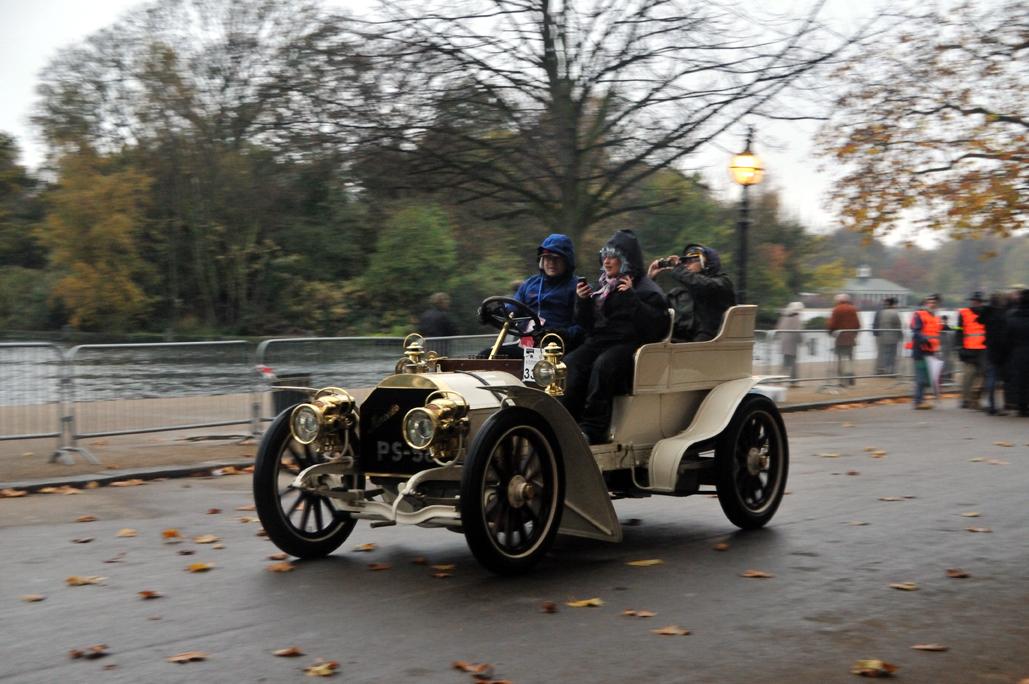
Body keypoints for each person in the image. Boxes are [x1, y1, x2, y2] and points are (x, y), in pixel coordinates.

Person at [562, 229, 669, 444]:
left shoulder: (648, 290)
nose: (606, 261)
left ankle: (593, 429)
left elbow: (654, 329)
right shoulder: (603, 286)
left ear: (626, 261)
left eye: (612, 257)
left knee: (604, 365)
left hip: (630, 344)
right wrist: (583, 301)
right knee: (570, 363)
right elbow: (588, 326)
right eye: (605, 256)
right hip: (600, 341)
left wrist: (631, 297)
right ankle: (565, 422)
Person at [484, 233, 582, 358]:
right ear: (541, 261)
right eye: (547, 258)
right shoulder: (530, 284)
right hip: (527, 345)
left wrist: (563, 334)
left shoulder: (578, 287)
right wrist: (493, 313)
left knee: (539, 362)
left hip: (557, 347)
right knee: (486, 356)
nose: (551, 263)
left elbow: (583, 326)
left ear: (567, 261)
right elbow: (512, 311)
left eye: (556, 259)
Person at [647, 243, 735, 342]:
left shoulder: (722, 283)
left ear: (706, 263)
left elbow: (705, 285)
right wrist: (650, 281)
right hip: (686, 342)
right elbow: (658, 305)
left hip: (712, 341)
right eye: (685, 261)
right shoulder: (681, 294)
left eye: (692, 260)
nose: (686, 264)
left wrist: (679, 268)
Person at [908, 294, 942, 409]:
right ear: (925, 303)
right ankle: (918, 401)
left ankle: (921, 399)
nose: (932, 304)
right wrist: (925, 340)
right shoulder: (919, 314)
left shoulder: (935, 317)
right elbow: (916, 332)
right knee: (921, 377)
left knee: (926, 377)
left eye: (934, 302)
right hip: (920, 350)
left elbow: (936, 332)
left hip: (930, 351)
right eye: (930, 302)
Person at [955, 292, 987, 408]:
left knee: (982, 374)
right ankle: (966, 399)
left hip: (983, 349)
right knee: (968, 375)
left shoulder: (986, 313)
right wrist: (959, 346)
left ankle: (975, 399)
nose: (976, 303)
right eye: (974, 301)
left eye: (978, 301)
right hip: (969, 349)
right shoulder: (963, 313)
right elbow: (959, 330)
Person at [980, 292, 1010, 415]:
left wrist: (987, 307)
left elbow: (979, 320)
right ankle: (1001, 405)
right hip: (1001, 349)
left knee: (991, 377)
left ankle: (991, 405)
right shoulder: (1002, 314)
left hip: (990, 347)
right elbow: (1005, 332)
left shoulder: (988, 313)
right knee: (1000, 378)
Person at [1003, 289, 1029, 417]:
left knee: (1020, 380)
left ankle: (1022, 406)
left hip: (1017, 352)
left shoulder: (1012, 318)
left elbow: (1007, 338)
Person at [827, 293, 860, 386]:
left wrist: (830, 332)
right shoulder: (853, 309)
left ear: (838, 300)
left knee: (841, 360)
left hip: (840, 338)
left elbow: (832, 324)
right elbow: (858, 324)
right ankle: (850, 378)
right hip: (850, 338)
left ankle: (842, 381)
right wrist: (854, 334)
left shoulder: (836, 309)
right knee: (849, 359)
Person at [872, 297, 902, 375]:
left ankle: (881, 369)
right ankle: (887, 370)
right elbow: (898, 325)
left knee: (883, 353)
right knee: (890, 354)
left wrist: (876, 333)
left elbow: (876, 323)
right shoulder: (893, 312)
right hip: (889, 336)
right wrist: (900, 335)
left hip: (881, 335)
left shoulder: (881, 311)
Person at [776, 301, 804, 384]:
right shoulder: (796, 317)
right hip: (792, 342)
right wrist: (801, 340)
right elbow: (798, 331)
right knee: (791, 361)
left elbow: (779, 328)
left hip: (784, 341)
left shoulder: (784, 315)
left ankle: (787, 379)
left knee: (787, 361)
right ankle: (792, 380)